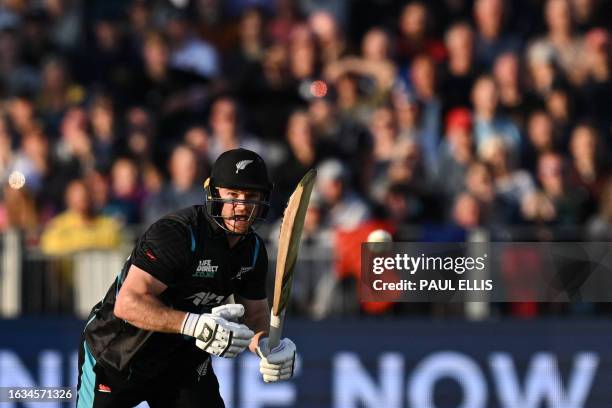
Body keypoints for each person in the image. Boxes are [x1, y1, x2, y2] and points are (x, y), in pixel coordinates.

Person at [76, 148, 297, 407]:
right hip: (119, 351)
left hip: (181, 359)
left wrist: (267, 345)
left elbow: (256, 315)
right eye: (233, 195)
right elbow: (128, 303)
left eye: (251, 197)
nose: (241, 206)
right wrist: (195, 325)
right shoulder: (178, 234)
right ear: (215, 194)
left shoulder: (254, 251)